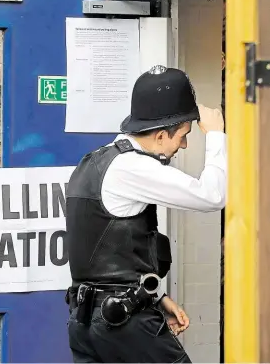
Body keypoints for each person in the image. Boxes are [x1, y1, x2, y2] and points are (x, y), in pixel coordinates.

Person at [65, 65, 226, 363]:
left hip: (86, 323)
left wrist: (155, 295)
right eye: (183, 136)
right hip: (123, 324)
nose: (185, 145)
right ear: (163, 135)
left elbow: (105, 256)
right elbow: (212, 196)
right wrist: (216, 135)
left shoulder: (94, 161)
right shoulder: (133, 167)